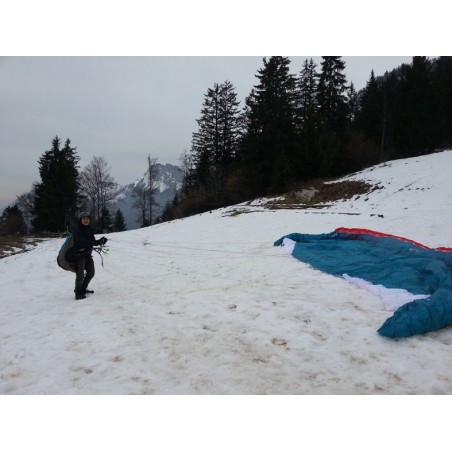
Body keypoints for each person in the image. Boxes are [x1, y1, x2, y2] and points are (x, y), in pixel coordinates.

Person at [70, 212, 108, 300]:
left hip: (87, 254)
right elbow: (82, 242)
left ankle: (83, 289)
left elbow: (92, 241)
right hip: (79, 255)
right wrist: (96, 242)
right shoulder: (77, 229)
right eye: (84, 219)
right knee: (80, 274)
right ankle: (78, 293)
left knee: (91, 272)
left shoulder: (89, 229)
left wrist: (100, 241)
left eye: (87, 219)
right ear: (80, 220)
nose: (86, 220)